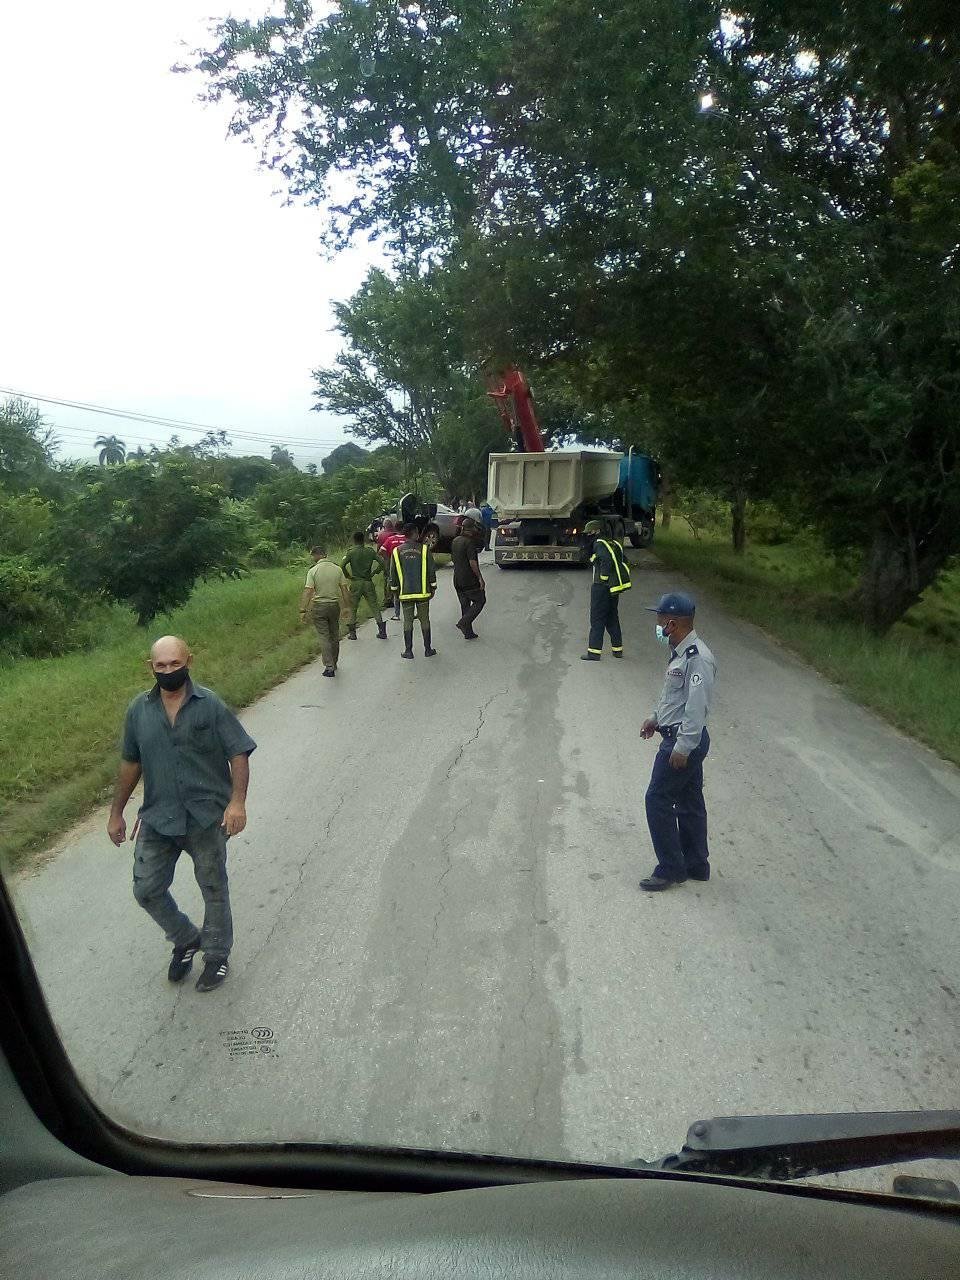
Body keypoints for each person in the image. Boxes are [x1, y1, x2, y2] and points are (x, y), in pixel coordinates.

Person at [107, 635, 256, 992]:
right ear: (151, 667)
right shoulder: (138, 710)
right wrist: (117, 812)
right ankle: (186, 937)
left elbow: (238, 753)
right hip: (159, 817)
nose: (168, 671)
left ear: (189, 661)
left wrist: (237, 803)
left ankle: (217, 956)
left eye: (175, 664)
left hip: (206, 817)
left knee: (213, 888)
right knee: (146, 889)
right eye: (161, 665)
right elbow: (131, 763)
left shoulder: (210, 705)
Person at [638, 592, 716, 892]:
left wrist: (683, 747)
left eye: (660, 622)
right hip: (678, 735)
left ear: (673, 624)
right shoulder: (682, 653)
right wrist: (656, 718)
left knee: (656, 799)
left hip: (683, 742)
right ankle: (697, 864)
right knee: (690, 802)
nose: (657, 627)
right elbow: (675, 697)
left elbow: (696, 708)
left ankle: (670, 868)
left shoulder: (698, 658)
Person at [580, 520, 632, 661]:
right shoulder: (613, 543)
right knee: (612, 618)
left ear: (596, 531)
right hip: (613, 588)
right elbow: (624, 561)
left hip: (601, 587)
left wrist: (603, 578)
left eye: (589, 533)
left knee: (597, 619)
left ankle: (594, 653)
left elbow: (606, 561)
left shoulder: (599, 544)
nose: (588, 535)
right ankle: (617, 650)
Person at [299, 545, 351, 677]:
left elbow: (308, 591)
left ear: (316, 555)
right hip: (334, 606)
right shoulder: (337, 569)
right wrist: (346, 607)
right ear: (325, 554)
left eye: (313, 556)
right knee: (334, 634)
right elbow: (345, 589)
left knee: (324, 636)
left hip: (319, 606)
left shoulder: (313, 570)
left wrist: (303, 610)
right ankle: (334, 661)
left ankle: (329, 667)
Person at [389, 523, 438, 659]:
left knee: (408, 621)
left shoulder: (396, 551)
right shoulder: (424, 549)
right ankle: (428, 649)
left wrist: (395, 592)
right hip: (423, 593)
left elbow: (392, 575)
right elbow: (431, 571)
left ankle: (408, 651)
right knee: (425, 620)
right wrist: (433, 587)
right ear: (415, 533)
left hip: (405, 594)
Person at [341, 530, 388, 641]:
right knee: (374, 606)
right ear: (363, 540)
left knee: (353, 608)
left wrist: (348, 576)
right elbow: (382, 563)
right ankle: (382, 630)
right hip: (368, 581)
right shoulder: (370, 551)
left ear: (354, 540)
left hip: (356, 582)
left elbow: (342, 565)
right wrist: (375, 572)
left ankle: (353, 633)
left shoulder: (351, 552)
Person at [451, 508, 486, 640]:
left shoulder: (455, 541)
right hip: (468, 579)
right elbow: (472, 562)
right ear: (471, 529)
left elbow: (454, 559)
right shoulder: (469, 542)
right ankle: (464, 623)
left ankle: (468, 632)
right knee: (480, 600)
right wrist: (480, 578)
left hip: (457, 579)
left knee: (464, 604)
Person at [378, 520, 406, 619]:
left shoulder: (390, 539)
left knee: (395, 590)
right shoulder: (407, 539)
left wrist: (388, 558)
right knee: (408, 589)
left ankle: (397, 614)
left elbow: (381, 551)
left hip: (393, 567)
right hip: (406, 567)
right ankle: (411, 612)